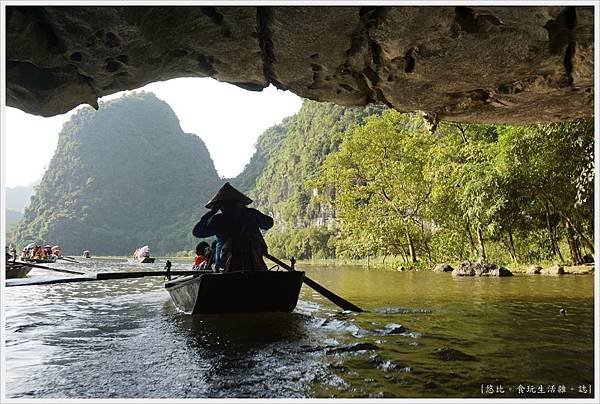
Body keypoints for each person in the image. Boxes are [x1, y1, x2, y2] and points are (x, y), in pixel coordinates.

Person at [192, 183, 273, 272]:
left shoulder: (218, 220)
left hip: (224, 264)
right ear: (239, 202)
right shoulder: (251, 214)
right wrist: (247, 211)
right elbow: (269, 223)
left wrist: (211, 212)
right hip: (254, 261)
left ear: (220, 205)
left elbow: (197, 232)